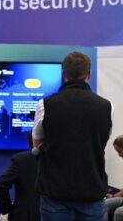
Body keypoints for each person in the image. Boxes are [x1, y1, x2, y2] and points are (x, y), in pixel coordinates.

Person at [33, 51, 112, 221]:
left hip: (54, 191)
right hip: (92, 190)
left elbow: (37, 142)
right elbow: (102, 140)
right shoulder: (105, 106)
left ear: (64, 74)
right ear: (89, 74)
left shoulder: (45, 104)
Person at [0, 133, 40, 221]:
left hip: (24, 215)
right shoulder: (57, 160)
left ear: (29, 142)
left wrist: (7, 209)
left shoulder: (20, 160)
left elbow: (1, 186)